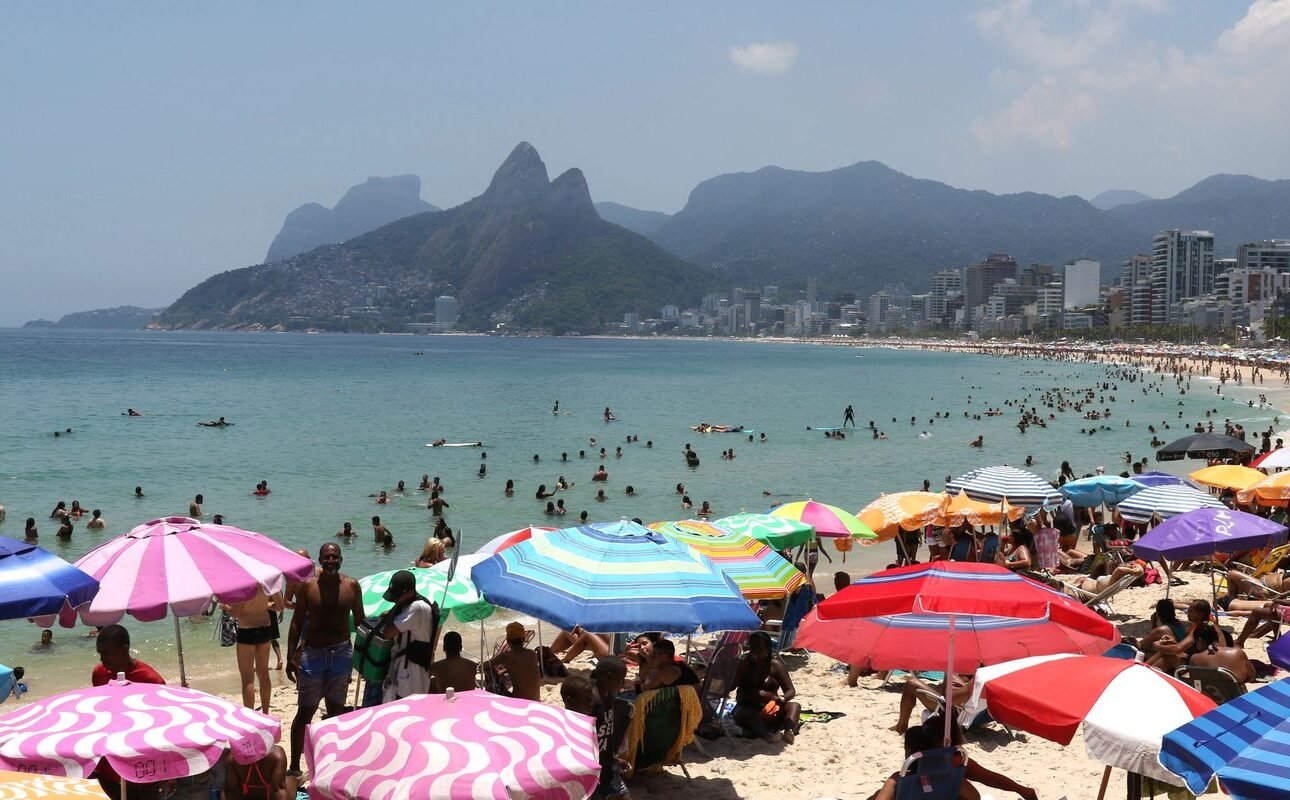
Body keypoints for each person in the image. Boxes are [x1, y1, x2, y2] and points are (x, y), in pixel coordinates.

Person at [285, 542, 365, 775]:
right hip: (313, 654)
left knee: (336, 712)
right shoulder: (307, 587)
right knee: (305, 711)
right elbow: (296, 622)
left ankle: (333, 764)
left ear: (341, 560)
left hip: (341, 654)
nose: (331, 561)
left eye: (335, 557)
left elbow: (361, 622)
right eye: (327, 557)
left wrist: (368, 653)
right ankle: (294, 767)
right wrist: (290, 656)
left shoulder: (352, 586)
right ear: (320, 561)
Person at [91, 625, 166, 800]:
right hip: (108, 756)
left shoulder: (150, 680)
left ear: (124, 649)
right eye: (100, 654)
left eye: (107, 653)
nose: (102, 659)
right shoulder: (99, 673)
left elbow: (161, 724)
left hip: (141, 755)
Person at [561, 657, 634, 800]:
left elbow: (606, 734)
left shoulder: (609, 696)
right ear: (609, 677)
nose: (623, 684)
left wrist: (613, 759)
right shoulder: (588, 700)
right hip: (589, 769)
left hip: (606, 766)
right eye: (620, 680)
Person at [379, 570, 440, 702]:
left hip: (412, 673)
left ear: (409, 592)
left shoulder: (417, 607)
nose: (395, 601)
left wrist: (392, 613)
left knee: (407, 706)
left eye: (397, 597)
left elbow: (388, 633)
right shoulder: (408, 606)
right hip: (403, 668)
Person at [222, 589, 285, 714]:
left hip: (247, 629)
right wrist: (264, 605)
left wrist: (224, 607)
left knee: (247, 678)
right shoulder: (267, 582)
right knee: (264, 673)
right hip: (265, 627)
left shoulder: (244, 585)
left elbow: (237, 613)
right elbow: (280, 607)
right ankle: (265, 712)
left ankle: (250, 715)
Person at [732, 631, 801, 743]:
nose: (756, 651)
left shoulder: (776, 665)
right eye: (753, 647)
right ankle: (768, 736)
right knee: (751, 714)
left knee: (794, 706)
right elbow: (731, 687)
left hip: (770, 706)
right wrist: (740, 669)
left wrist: (782, 698)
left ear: (768, 649)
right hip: (747, 706)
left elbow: (790, 690)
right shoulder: (745, 664)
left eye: (760, 648)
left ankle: (789, 731)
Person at [485, 621, 541, 701]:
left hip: (519, 700)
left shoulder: (506, 656)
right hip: (535, 699)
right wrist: (504, 670)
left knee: (488, 670)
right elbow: (521, 668)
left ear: (507, 640)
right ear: (524, 639)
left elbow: (484, 666)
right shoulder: (532, 654)